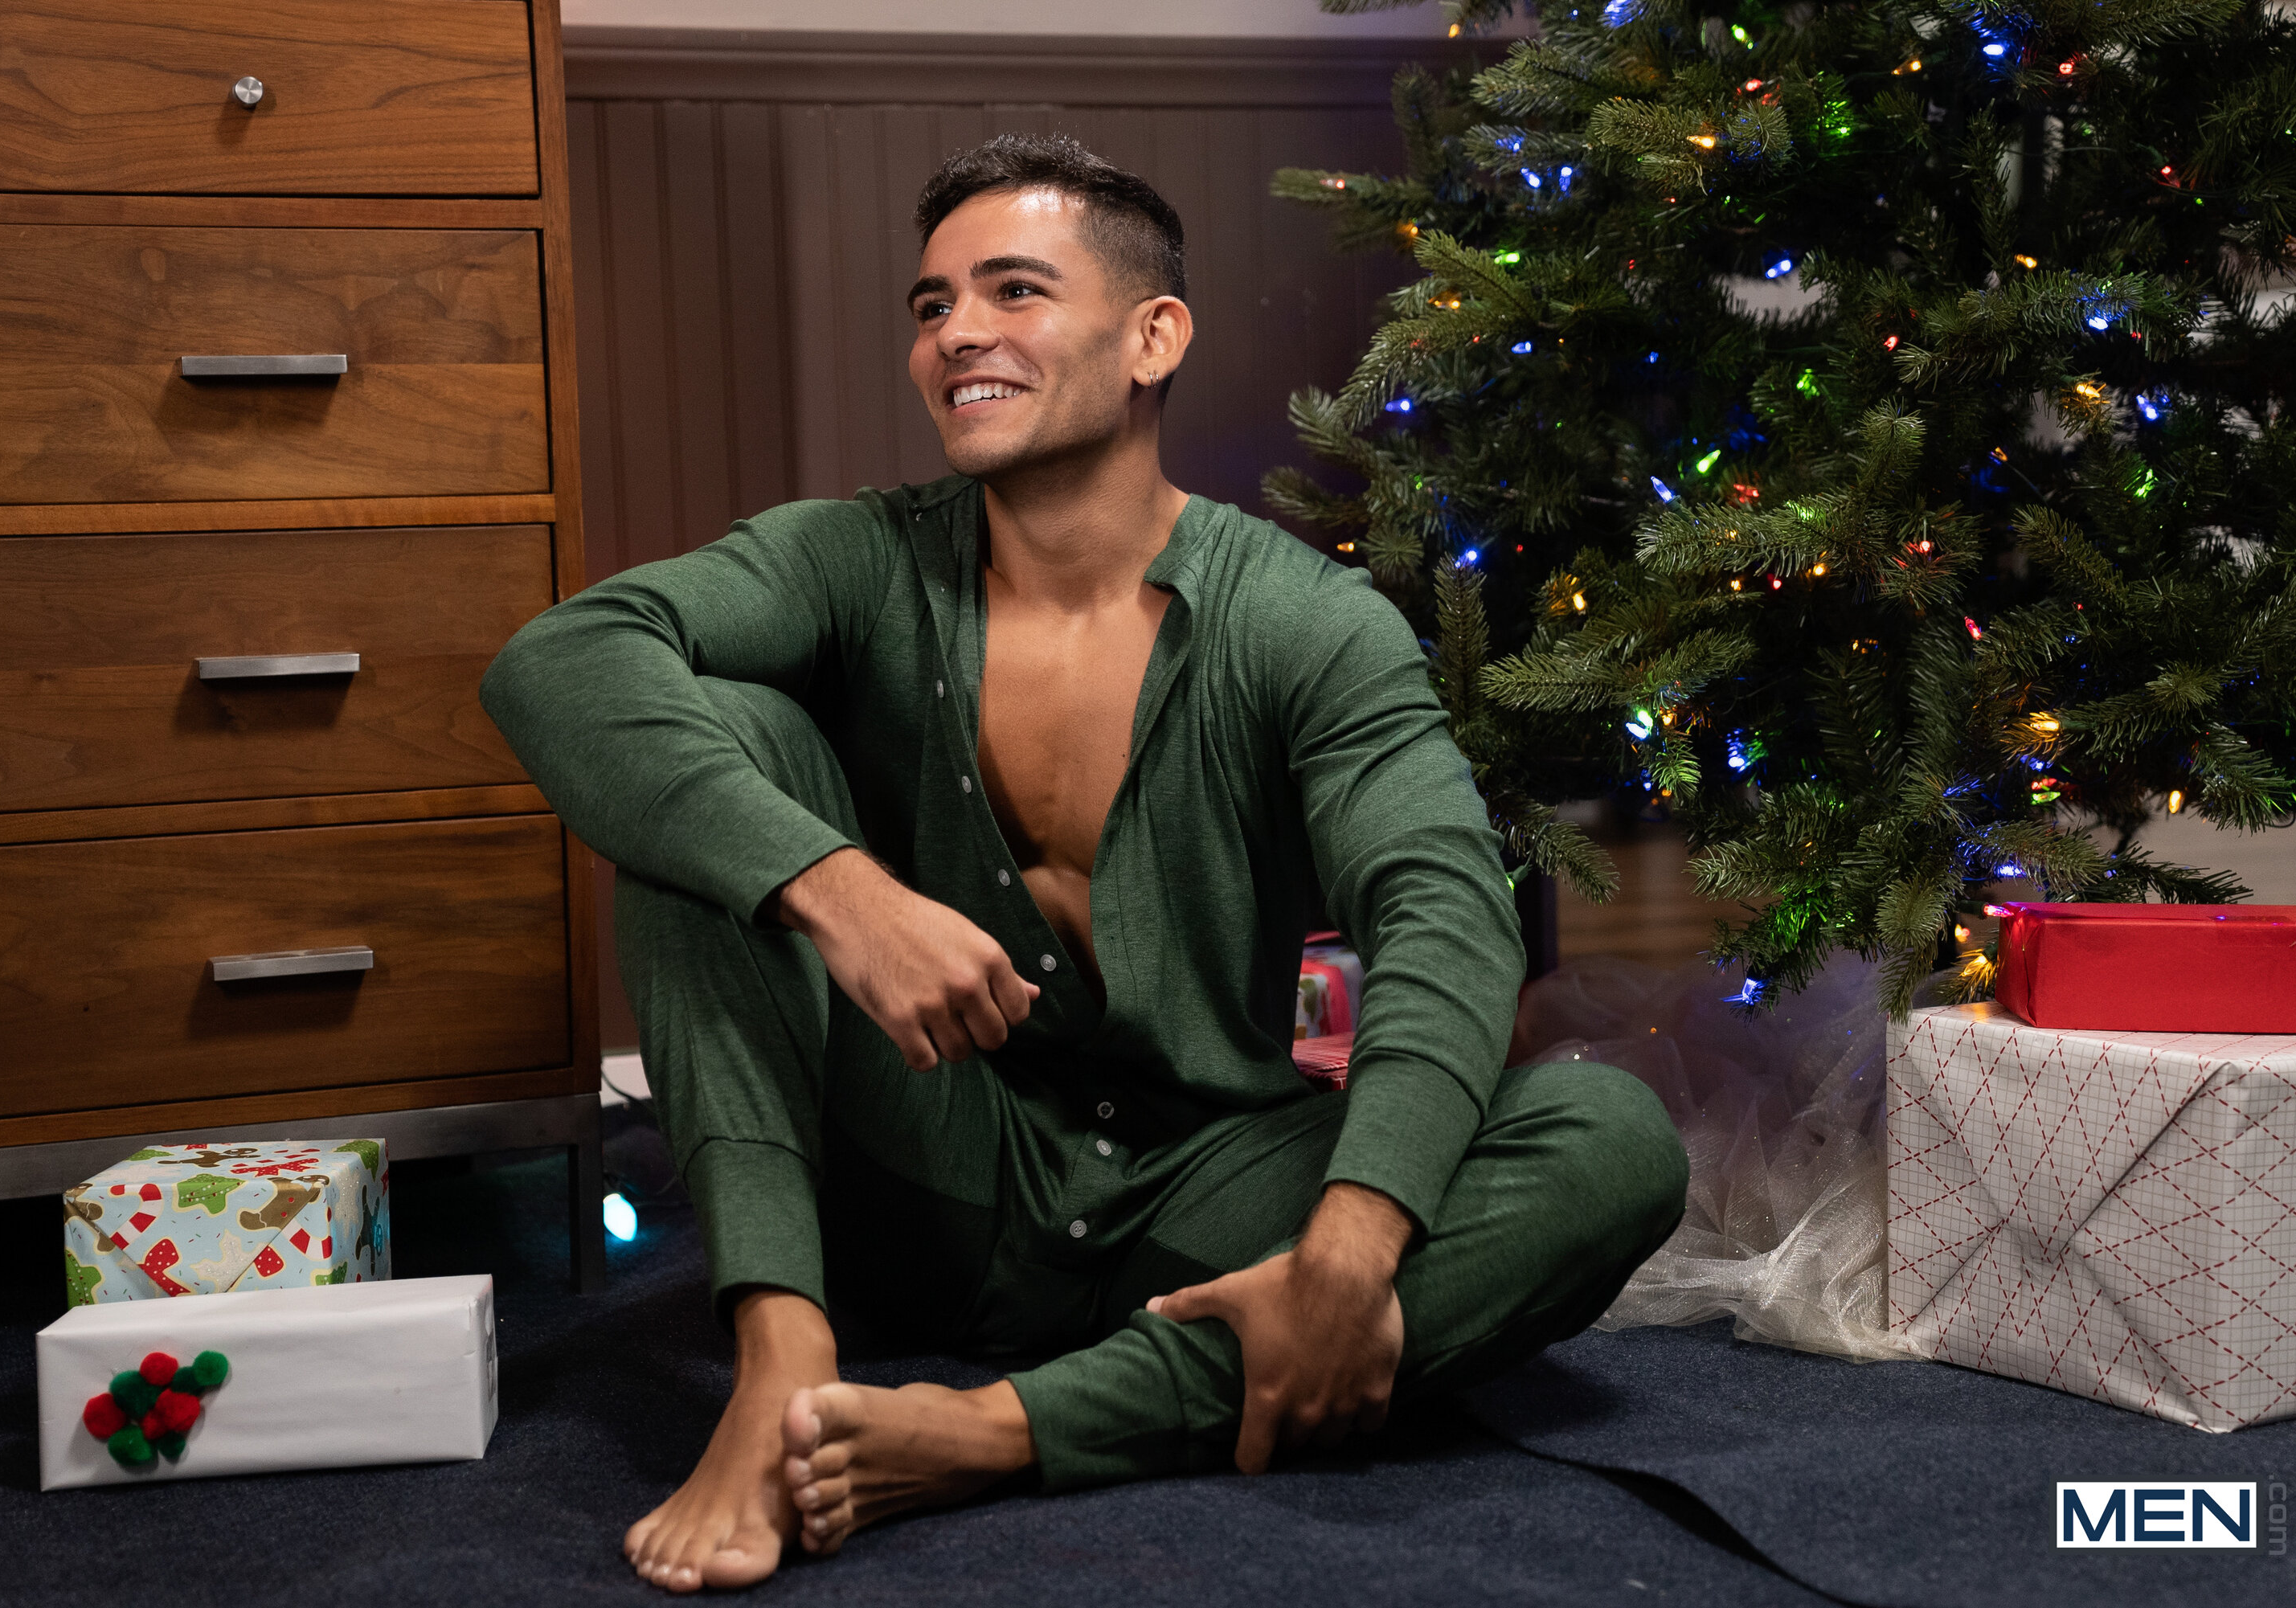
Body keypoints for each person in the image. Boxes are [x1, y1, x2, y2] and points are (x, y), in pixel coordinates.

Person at [481, 132, 1686, 1595]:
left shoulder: (1306, 622)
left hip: (1200, 1196)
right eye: (931, 304)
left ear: (1151, 337)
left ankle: (998, 1430)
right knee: (712, 761)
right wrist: (842, 893)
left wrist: (1353, 1242)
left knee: (1609, 1140)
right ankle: (782, 1352)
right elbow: (559, 661)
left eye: (1014, 290)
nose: (955, 334)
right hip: (919, 1171)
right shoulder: (858, 559)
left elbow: (1441, 907)